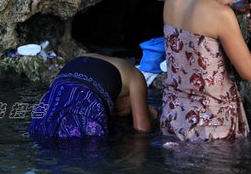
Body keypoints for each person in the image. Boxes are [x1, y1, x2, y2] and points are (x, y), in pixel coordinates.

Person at [160, 0, 251, 141]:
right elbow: (249, 72)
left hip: (174, 118)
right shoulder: (222, 15)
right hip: (211, 126)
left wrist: (239, 7)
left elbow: (196, 18)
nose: (235, 0)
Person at [29, 54, 158, 139]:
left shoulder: (84, 59)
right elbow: (142, 131)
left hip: (53, 96)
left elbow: (45, 103)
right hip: (87, 100)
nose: (120, 113)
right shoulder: (136, 76)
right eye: (128, 111)